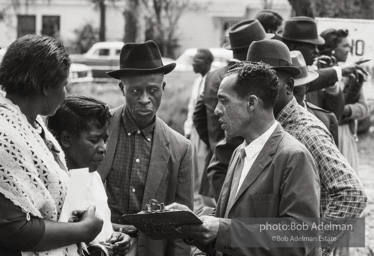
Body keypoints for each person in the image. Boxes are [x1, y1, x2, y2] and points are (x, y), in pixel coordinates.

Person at [168, 61, 321, 256]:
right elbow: (228, 223)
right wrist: (192, 221)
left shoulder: (294, 157)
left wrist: (223, 230)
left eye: (224, 101)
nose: (216, 110)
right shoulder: (239, 153)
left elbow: (299, 240)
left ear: (251, 103)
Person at [246, 40, 367, 255]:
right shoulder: (262, 126)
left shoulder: (305, 132)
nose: (255, 93)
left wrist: (314, 249)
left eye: (267, 84)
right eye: (249, 84)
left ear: (289, 87)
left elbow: (352, 193)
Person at [0, 35, 103, 255]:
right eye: (64, 84)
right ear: (46, 86)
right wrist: (84, 229)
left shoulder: (33, 124)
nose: (66, 94)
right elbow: (15, 228)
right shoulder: (4, 134)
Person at [97, 40, 193, 256]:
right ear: (122, 88)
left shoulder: (181, 148)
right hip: (98, 245)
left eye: (152, 90)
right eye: (135, 91)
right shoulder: (95, 130)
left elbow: (181, 226)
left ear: (163, 88)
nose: (144, 100)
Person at [193, 19, 273, 200]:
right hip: (236, 178)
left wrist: (214, 143)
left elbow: (199, 116)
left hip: (214, 170)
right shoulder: (252, 79)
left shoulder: (213, 75)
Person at [47, 95, 132, 256]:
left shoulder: (88, 174)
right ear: (66, 139)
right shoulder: (56, 184)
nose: (103, 148)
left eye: (104, 140)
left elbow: (95, 226)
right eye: (94, 140)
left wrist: (116, 235)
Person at [276, 16, 367, 121]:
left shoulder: (317, 70)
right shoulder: (282, 75)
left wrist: (332, 86)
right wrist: (338, 71)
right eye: (311, 46)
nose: (316, 51)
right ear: (292, 46)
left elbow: (335, 113)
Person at [319, 28, 369, 172]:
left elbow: (364, 108)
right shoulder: (319, 73)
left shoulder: (353, 76)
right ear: (332, 49)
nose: (348, 49)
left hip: (345, 134)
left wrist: (345, 110)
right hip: (325, 134)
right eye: (344, 46)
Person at [184, 49, 215, 211]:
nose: (194, 64)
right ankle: (196, 204)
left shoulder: (213, 80)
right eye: (193, 60)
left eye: (198, 61)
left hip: (206, 130)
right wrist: (188, 130)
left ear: (208, 63)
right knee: (194, 165)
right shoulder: (197, 81)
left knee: (204, 166)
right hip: (195, 130)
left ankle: (208, 206)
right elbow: (192, 108)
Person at [290, 50, 339, 146]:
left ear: (307, 87)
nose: (291, 97)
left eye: (296, 91)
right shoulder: (269, 119)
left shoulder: (326, 120)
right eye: (287, 90)